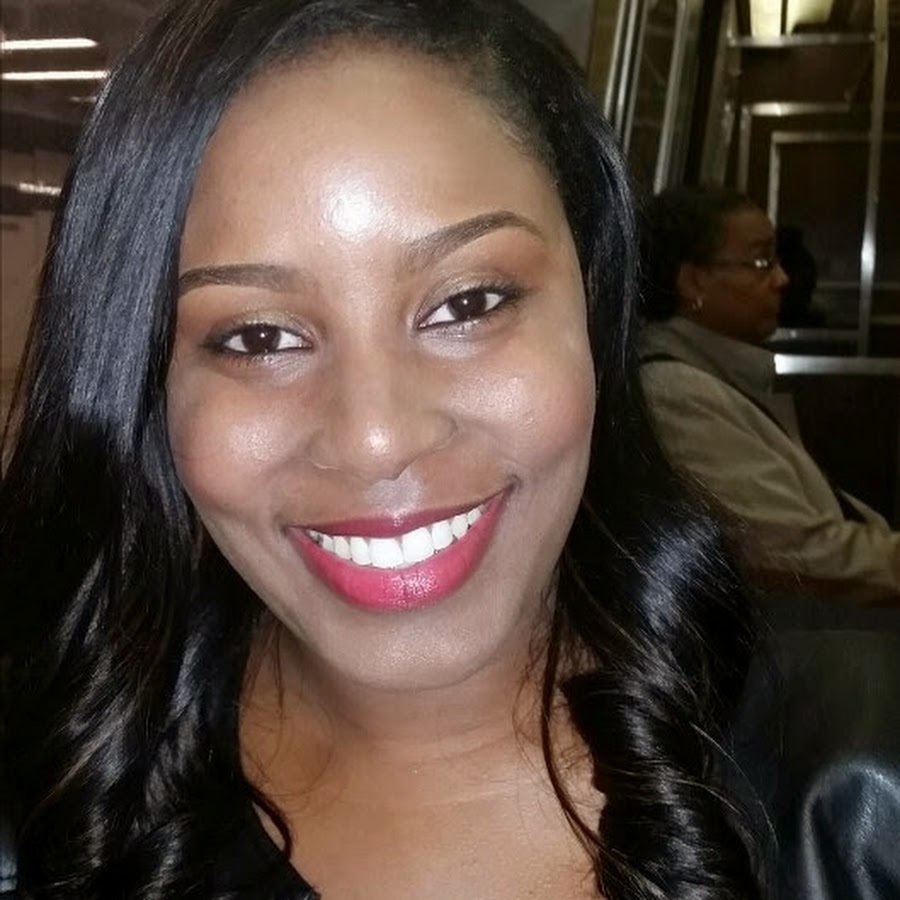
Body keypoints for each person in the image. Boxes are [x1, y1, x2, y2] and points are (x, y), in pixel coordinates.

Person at [0, 3, 764, 898]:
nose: (375, 439)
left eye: (468, 303)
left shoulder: (855, 780)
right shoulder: (46, 800)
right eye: (258, 337)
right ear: (147, 382)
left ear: (594, 303)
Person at [638, 185, 900, 603]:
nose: (782, 279)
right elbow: (786, 550)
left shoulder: (717, 375)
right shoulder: (675, 393)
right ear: (693, 282)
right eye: (761, 262)